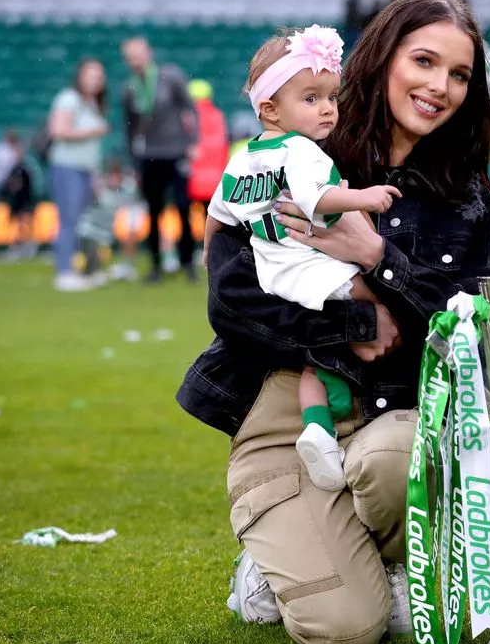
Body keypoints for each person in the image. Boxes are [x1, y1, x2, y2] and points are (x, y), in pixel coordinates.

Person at [176, 0, 490, 644]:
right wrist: (357, 321)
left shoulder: (466, 196)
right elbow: (234, 300)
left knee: (393, 462)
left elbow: (474, 326)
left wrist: (379, 259)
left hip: (396, 417)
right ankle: (280, 562)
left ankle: (383, 556)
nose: (439, 86)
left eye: (459, 74)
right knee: (346, 629)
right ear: (382, 59)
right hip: (290, 421)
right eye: (424, 61)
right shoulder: (293, 153)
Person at [204, 24, 403, 493]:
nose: (328, 108)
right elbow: (318, 201)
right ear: (270, 108)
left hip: (272, 271)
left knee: (317, 356)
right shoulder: (301, 150)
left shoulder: (243, 159)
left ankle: (317, 429)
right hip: (314, 264)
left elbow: (217, 214)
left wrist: (209, 253)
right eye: (310, 98)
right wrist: (365, 198)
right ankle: (339, 413)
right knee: (377, 300)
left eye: (331, 96)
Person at [121, 36, 198, 283]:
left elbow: (191, 109)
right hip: (150, 156)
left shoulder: (170, 77)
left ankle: (188, 264)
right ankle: (156, 266)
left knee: (183, 208)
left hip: (176, 152)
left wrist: (192, 143)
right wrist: (134, 162)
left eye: (138, 53)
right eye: (130, 56)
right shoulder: (129, 88)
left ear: (148, 52)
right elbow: (129, 129)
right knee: (154, 213)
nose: (135, 60)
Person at [48, 59, 110, 292]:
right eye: (91, 75)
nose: (95, 81)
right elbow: (58, 131)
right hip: (67, 167)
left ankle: (86, 269)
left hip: (85, 170)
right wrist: (92, 131)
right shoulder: (69, 99)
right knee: (68, 220)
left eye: (99, 77)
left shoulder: (92, 103)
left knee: (84, 222)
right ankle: (64, 271)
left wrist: (95, 175)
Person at [1, 147, 37, 261]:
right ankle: (18, 247)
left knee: (25, 225)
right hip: (17, 202)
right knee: (18, 226)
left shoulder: (25, 169)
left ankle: (29, 246)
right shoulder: (14, 169)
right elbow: (7, 185)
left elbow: (28, 186)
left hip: (24, 201)